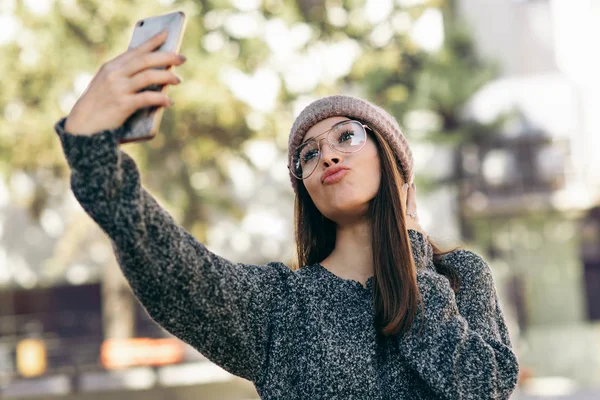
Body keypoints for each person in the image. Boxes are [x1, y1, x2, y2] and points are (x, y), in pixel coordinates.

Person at [54, 31, 519, 399]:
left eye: (347, 136)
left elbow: (482, 387)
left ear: (395, 168)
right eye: (309, 155)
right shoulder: (281, 305)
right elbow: (173, 269)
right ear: (306, 191)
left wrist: (413, 258)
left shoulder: (459, 276)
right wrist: (92, 150)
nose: (328, 157)